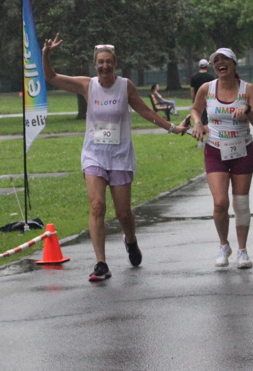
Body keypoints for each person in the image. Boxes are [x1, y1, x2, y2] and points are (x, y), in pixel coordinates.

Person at [42, 35, 186, 282]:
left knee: (123, 213)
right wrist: (46, 54)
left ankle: (130, 240)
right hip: (94, 155)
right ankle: (101, 263)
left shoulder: (125, 86)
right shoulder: (87, 85)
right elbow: (52, 77)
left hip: (120, 156)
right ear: (95, 64)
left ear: (115, 64)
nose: (105, 66)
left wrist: (172, 128)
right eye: (100, 62)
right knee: (97, 206)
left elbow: (145, 111)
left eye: (109, 62)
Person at [189, 48, 253, 269]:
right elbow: (195, 110)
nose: (220, 63)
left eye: (225, 60)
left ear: (234, 64)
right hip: (215, 150)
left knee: (241, 203)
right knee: (220, 203)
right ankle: (224, 245)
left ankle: (242, 250)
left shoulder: (247, 90)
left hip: (242, 151)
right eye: (216, 60)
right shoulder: (207, 88)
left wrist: (248, 110)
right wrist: (197, 123)